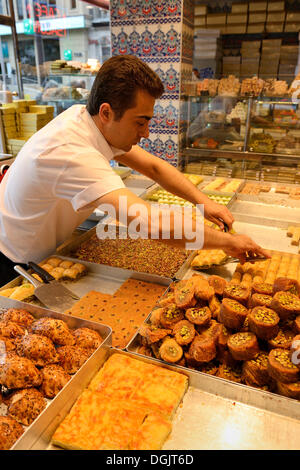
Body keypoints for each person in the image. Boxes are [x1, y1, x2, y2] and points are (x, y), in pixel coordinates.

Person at [0, 55, 268, 285]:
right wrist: (228, 242)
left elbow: (153, 167)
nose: (146, 133)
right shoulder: (72, 151)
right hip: (12, 258)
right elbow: (150, 223)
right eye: (140, 122)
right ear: (106, 112)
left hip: (35, 244)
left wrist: (204, 203)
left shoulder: (91, 121)